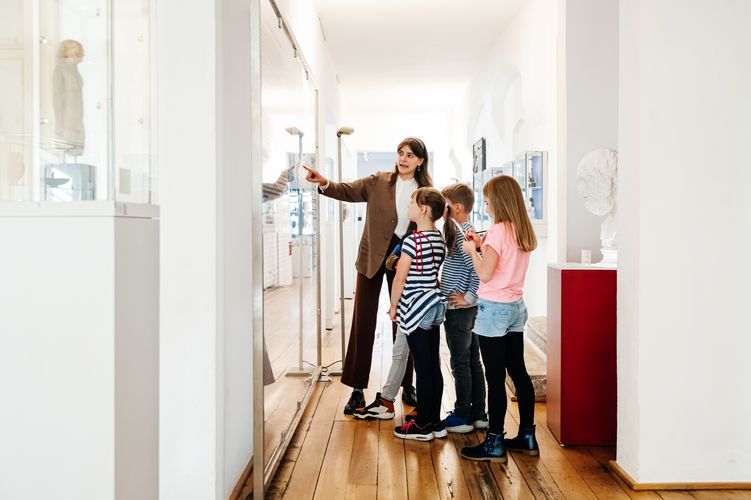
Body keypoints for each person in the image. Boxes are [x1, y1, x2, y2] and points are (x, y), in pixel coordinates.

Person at [304, 137, 432, 414]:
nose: (404, 158)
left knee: (406, 322)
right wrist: (324, 182)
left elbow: (431, 222)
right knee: (363, 322)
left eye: (410, 155)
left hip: (406, 258)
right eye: (400, 153)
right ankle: (357, 389)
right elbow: (347, 190)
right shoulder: (378, 181)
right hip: (371, 256)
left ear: (420, 160)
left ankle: (406, 384)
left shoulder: (425, 190)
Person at [460, 175, 540, 463]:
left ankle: (494, 441)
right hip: (516, 307)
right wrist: (483, 246)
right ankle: (528, 435)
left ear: (499, 201)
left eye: (488, 199)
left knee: (495, 378)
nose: (486, 204)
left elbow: (485, 274)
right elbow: (503, 265)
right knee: (517, 371)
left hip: (493, 309)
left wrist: (472, 251)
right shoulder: (522, 229)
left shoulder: (497, 231)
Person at [390, 188, 455, 441]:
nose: (408, 206)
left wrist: (394, 306)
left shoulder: (412, 241)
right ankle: (434, 421)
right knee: (432, 366)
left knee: (422, 367)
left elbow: (400, 277)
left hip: (415, 307)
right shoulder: (438, 238)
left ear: (424, 209)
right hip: (433, 305)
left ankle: (422, 425)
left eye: (411, 202)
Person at [437, 183, 488, 433]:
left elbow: (478, 269)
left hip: (461, 310)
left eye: (445, 205)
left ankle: (462, 415)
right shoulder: (463, 230)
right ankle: (479, 412)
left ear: (456, 207)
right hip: (466, 310)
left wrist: (469, 297)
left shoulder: (463, 233)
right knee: (472, 361)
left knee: (460, 363)